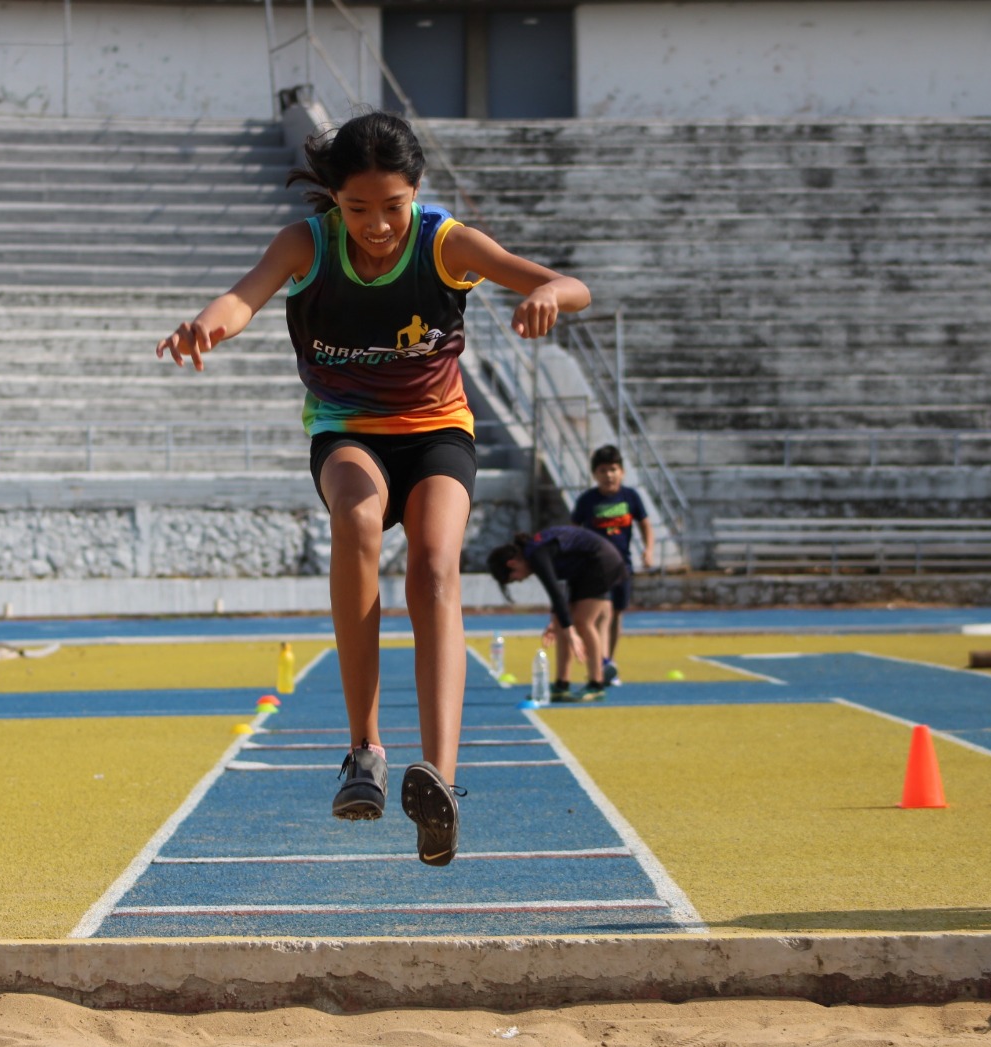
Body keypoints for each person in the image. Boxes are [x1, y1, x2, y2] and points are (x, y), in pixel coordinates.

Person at [156, 111, 589, 866]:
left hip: (436, 433)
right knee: (357, 521)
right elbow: (242, 298)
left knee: (433, 566)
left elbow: (566, 282)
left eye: (393, 207)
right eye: (359, 210)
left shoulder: (444, 242)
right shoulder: (308, 244)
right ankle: (365, 751)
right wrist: (206, 327)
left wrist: (549, 296)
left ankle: (442, 784)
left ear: (415, 193)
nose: (379, 226)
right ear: (334, 200)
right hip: (348, 428)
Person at [486, 527, 628, 702]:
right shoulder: (535, 553)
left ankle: (596, 684)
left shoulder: (536, 554)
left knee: (583, 622)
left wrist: (572, 633)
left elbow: (555, 591)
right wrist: (556, 622)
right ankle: (562, 684)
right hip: (585, 569)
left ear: (512, 564)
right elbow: (559, 591)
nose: (521, 580)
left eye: (515, 578)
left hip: (603, 562)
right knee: (563, 623)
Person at [571, 444, 655, 686]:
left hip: (623, 565)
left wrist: (648, 551)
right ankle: (602, 662)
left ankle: (610, 661)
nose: (609, 475)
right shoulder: (588, 500)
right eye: (603, 470)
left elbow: (646, 525)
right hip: (595, 568)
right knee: (600, 615)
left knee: (617, 613)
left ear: (622, 472)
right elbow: (574, 529)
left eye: (613, 469)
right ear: (595, 474)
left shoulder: (630, 497)